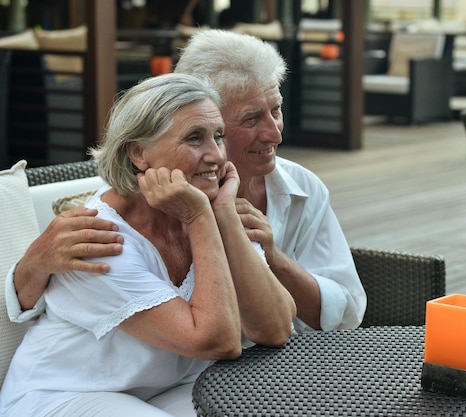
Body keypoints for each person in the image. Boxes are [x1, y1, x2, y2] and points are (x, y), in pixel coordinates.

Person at [8, 29, 366, 333]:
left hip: (289, 366)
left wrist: (274, 257)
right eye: (252, 118)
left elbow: (346, 313)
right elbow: (71, 302)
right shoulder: (146, 204)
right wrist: (31, 266)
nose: (275, 133)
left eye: (276, 110)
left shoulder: (301, 186)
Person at [0, 73, 296, 417]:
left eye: (218, 136)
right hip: (65, 396)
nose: (216, 155)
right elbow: (218, 342)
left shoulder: (207, 206)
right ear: (139, 153)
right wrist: (200, 218)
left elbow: (277, 328)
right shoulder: (96, 236)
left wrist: (224, 216)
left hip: (166, 389)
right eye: (194, 138)